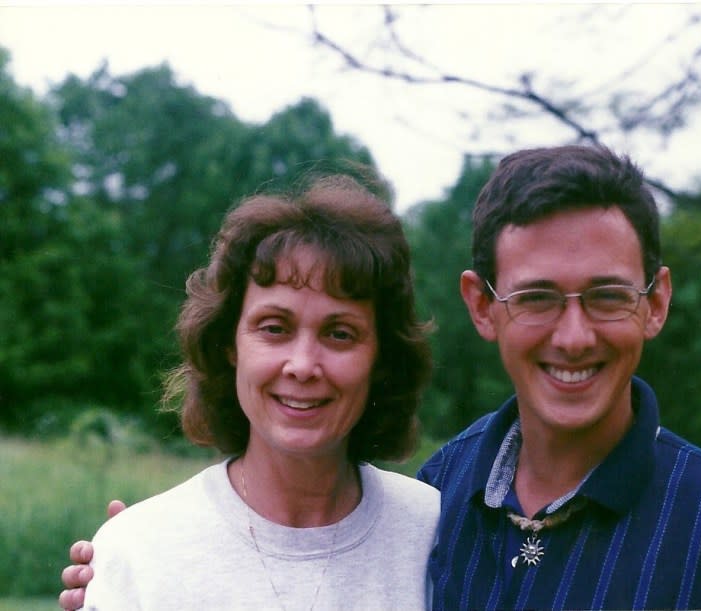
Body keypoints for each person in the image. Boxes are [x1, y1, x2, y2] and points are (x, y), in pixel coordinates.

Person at [61, 145, 701, 610]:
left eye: (606, 295)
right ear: (482, 306)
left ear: (655, 302)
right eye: (534, 296)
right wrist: (143, 556)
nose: (572, 333)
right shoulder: (445, 499)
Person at [59, 172, 439, 610]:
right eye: (274, 328)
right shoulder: (139, 552)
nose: (302, 365)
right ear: (228, 344)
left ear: (381, 359)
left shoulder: (437, 535)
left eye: (340, 334)